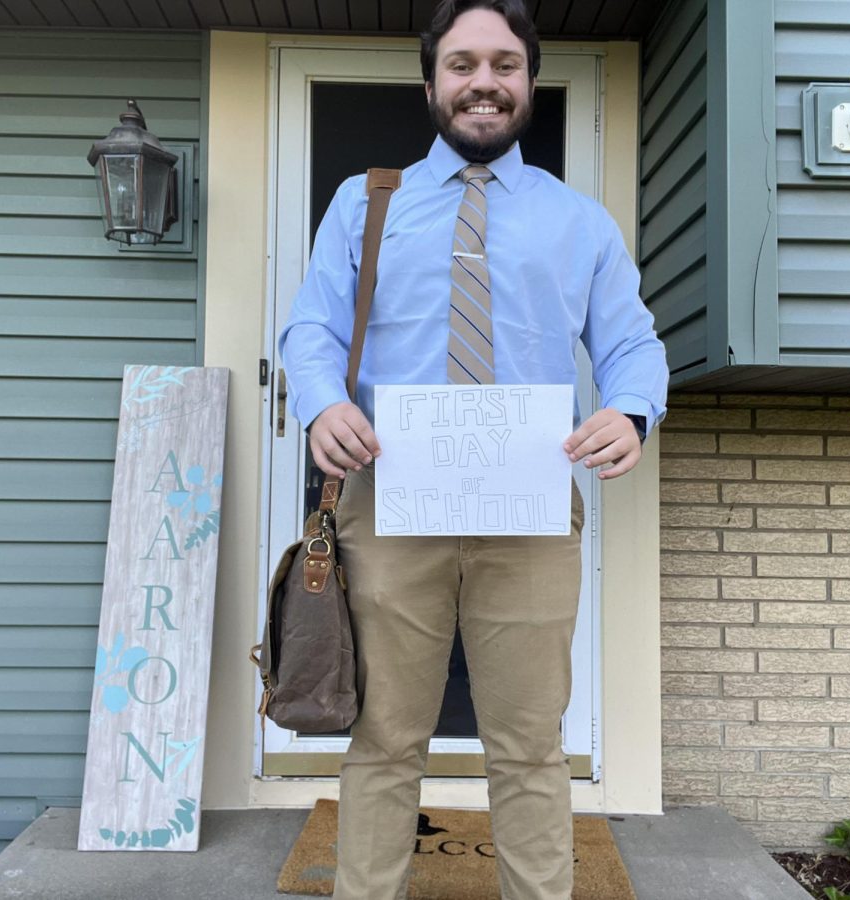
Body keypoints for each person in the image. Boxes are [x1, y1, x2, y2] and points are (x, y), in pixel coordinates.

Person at [278, 1, 669, 896]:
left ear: (528, 83)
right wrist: (323, 402)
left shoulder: (580, 222)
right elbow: (312, 326)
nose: (482, 83)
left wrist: (634, 410)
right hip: (392, 498)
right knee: (384, 740)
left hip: (529, 508)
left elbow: (631, 344)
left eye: (503, 64)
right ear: (432, 84)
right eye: (462, 65)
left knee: (530, 747)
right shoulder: (364, 201)